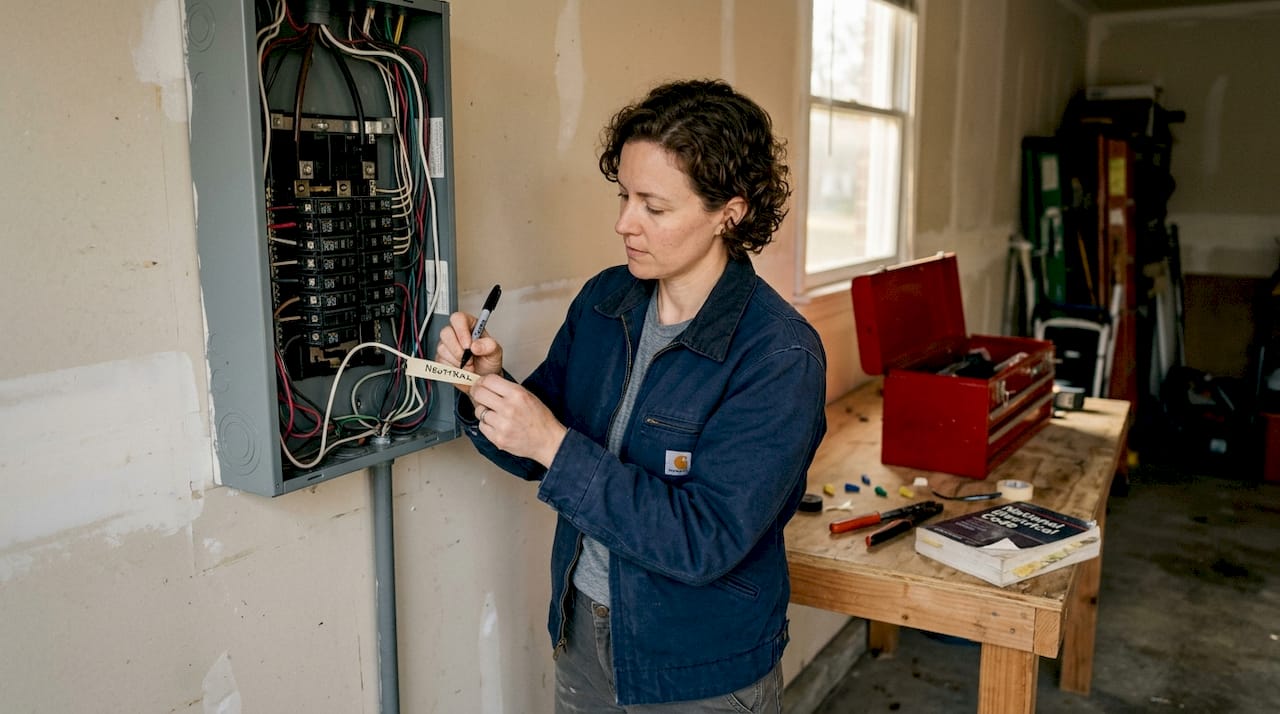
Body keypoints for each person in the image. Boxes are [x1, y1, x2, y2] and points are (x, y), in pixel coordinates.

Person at [435, 79, 827, 713]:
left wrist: (552, 444)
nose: (624, 223)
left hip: (699, 669)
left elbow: (704, 541)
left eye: (654, 207)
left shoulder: (779, 356)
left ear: (729, 212)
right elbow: (537, 444)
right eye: (624, 196)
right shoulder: (605, 300)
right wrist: (486, 387)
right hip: (583, 633)